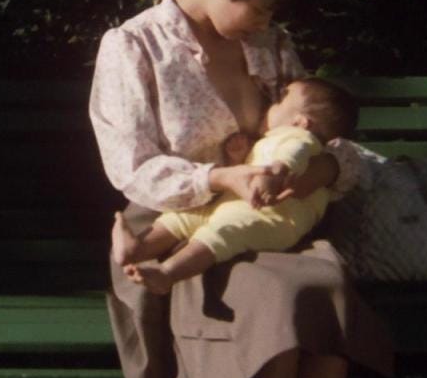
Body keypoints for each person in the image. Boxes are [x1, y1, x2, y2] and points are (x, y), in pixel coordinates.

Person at [89, 0, 393, 378]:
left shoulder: (271, 44)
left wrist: (323, 168)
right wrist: (222, 178)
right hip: (180, 229)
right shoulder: (136, 46)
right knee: (279, 306)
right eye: (260, 8)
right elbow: (131, 167)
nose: (267, 23)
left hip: (274, 222)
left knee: (325, 283)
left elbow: (319, 128)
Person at [113, 78, 359, 296]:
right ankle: (138, 248)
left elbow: (292, 155)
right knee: (184, 217)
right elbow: (253, 169)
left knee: (221, 234)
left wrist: (277, 170)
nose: (269, 106)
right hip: (234, 205)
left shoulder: (299, 138)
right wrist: (239, 159)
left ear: (299, 122)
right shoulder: (274, 139)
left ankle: (168, 273)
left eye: (278, 103)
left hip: (273, 219)